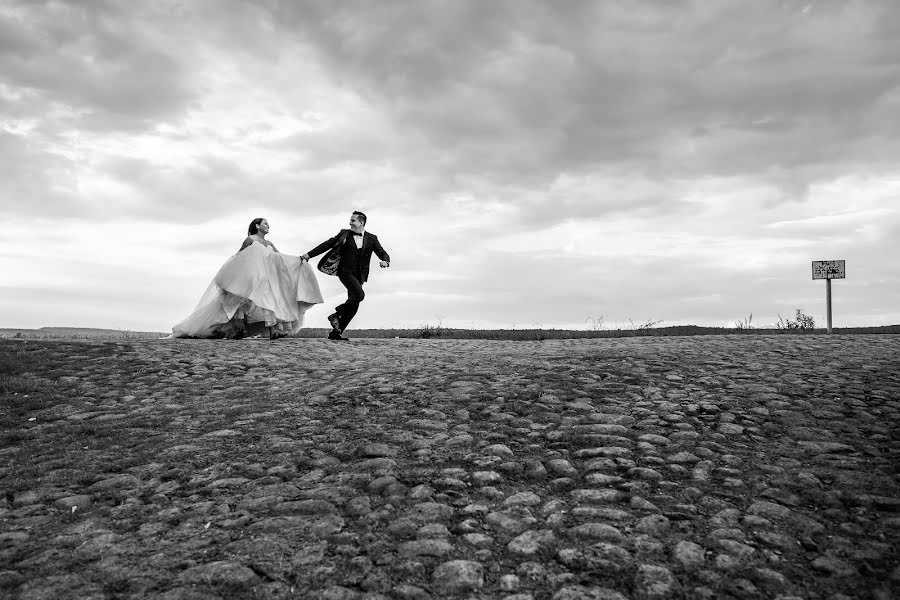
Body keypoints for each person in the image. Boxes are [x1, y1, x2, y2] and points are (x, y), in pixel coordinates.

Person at [166, 218, 324, 340]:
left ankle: (273, 332)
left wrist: (297, 261)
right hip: (251, 279)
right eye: (265, 223)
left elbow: (279, 258)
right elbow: (239, 258)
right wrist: (231, 278)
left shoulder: (269, 243)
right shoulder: (250, 240)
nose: (268, 225)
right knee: (244, 303)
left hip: (266, 279)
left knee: (270, 303)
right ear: (257, 226)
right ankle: (238, 329)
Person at [301, 211, 390, 340]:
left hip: (360, 275)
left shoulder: (372, 238)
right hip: (345, 271)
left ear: (361, 222)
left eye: (353, 220)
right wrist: (308, 255)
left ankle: (336, 333)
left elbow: (381, 252)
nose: (350, 223)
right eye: (350, 220)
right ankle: (335, 315)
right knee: (359, 295)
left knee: (354, 305)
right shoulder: (344, 233)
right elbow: (327, 244)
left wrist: (385, 261)